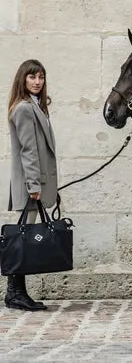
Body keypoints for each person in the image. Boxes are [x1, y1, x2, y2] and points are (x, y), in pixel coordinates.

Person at [4, 59, 58, 311]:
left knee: (24, 238)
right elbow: (29, 151)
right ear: (22, 80)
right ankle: (15, 293)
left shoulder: (36, 106)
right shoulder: (25, 109)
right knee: (23, 239)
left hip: (35, 183)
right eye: (32, 77)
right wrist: (34, 185)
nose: (37, 82)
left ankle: (16, 293)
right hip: (30, 185)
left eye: (41, 77)